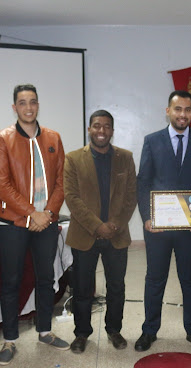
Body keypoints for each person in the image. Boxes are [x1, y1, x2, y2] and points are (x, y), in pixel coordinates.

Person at [135, 90, 191, 353]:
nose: (183, 114)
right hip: (157, 227)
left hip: (189, 227)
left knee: (190, 279)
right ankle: (149, 330)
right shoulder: (152, 141)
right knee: (154, 279)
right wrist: (147, 217)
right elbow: (143, 182)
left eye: (187, 109)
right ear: (168, 111)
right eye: (178, 109)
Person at [0, 84, 67, 364]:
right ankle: (10, 339)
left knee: (46, 278)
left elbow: (62, 181)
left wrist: (47, 212)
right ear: (15, 107)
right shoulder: (3, 138)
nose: (28, 107)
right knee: (11, 280)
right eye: (22, 102)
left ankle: (45, 331)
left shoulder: (53, 138)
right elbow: (1, 185)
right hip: (14, 222)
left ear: (38, 105)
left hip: (46, 221)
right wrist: (32, 213)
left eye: (32, 101)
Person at [64, 110, 137, 353]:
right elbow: (72, 198)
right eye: (97, 125)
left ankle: (114, 330)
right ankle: (81, 333)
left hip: (117, 234)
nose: (101, 131)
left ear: (112, 131)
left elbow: (131, 196)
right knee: (82, 288)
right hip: (84, 234)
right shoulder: (73, 158)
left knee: (116, 286)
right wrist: (97, 226)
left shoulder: (125, 158)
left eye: (106, 126)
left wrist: (115, 224)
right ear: (89, 129)